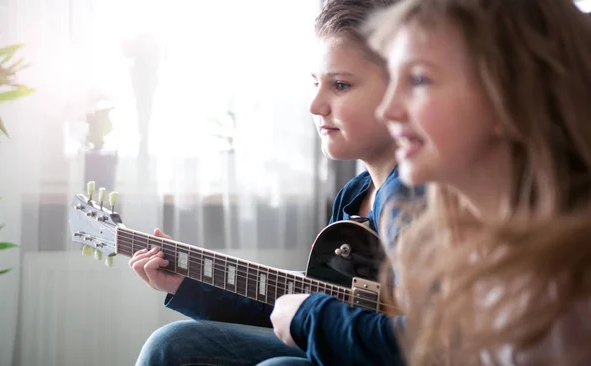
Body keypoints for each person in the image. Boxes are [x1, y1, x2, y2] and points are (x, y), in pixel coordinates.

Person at [130, 1, 419, 365]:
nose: (315, 105)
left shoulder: (413, 201)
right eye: (316, 83)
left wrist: (311, 315)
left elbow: (431, 339)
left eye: (340, 85)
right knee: (171, 344)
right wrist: (189, 286)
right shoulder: (354, 195)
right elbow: (292, 317)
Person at [364, 0, 591, 364]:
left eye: (419, 79)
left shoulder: (557, 300)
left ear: (512, 97)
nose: (386, 110)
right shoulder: (475, 249)